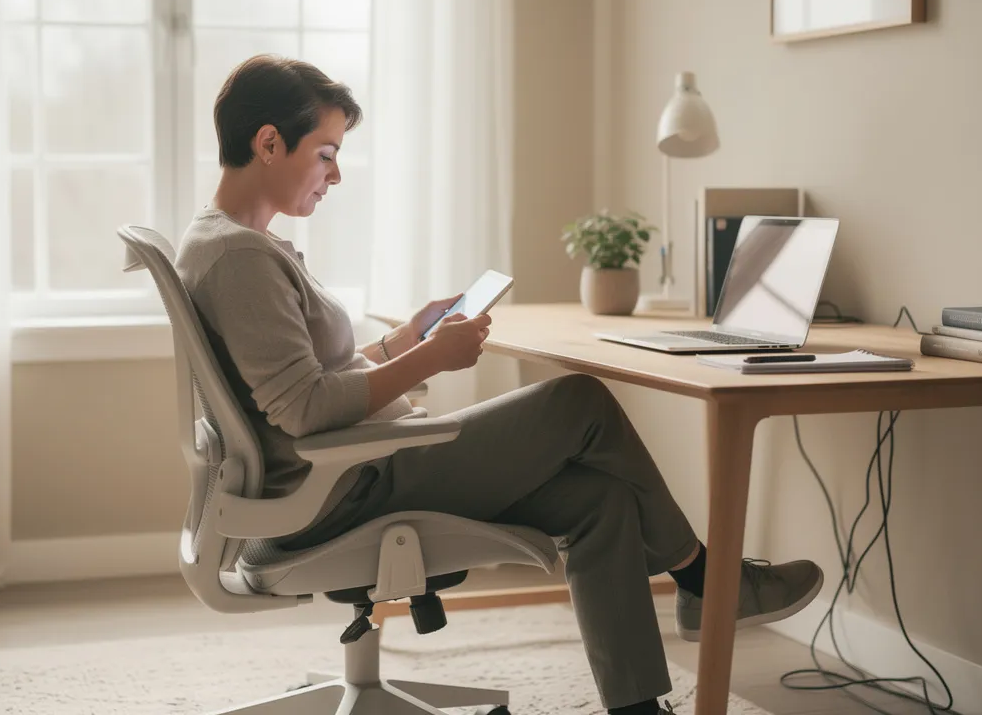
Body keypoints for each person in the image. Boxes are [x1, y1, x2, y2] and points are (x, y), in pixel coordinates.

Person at [174, 54, 824, 715]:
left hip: (341, 475)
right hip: (338, 488)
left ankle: (639, 703)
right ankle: (708, 580)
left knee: (600, 500)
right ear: (268, 143)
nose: (335, 174)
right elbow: (307, 409)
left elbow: (306, 381)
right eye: (327, 153)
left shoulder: (228, 244)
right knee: (579, 401)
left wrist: (406, 341)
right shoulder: (240, 258)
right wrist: (433, 359)